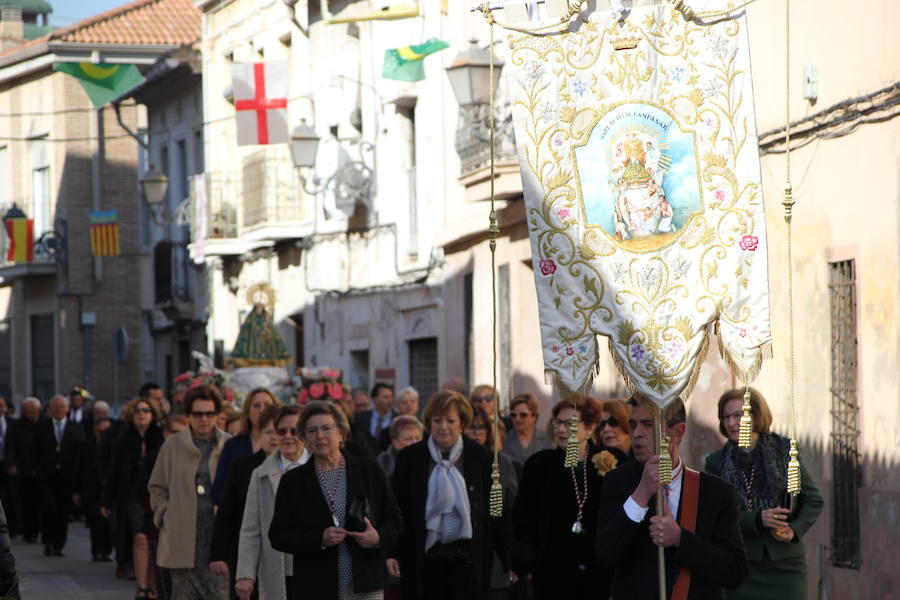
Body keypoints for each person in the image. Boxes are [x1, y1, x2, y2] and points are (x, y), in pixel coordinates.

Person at [596, 399, 747, 599]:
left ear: (677, 432)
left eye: (648, 425)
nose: (636, 433)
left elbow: (734, 572)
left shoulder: (716, 493)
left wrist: (680, 539)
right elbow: (604, 554)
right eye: (633, 424)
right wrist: (641, 494)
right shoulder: (617, 482)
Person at [269, 400, 402, 600]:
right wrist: (319, 538)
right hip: (317, 583)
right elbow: (278, 535)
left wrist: (377, 538)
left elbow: (395, 519)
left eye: (326, 428)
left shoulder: (368, 470)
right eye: (312, 430)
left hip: (365, 582)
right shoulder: (293, 481)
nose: (320, 436)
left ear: (341, 432)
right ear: (304, 438)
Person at [705, 388, 823, 600]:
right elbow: (714, 515)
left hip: (786, 568)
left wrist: (793, 530)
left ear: (756, 415)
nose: (731, 423)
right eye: (725, 417)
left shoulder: (785, 452)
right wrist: (757, 519)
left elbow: (814, 500)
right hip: (741, 567)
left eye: (738, 415)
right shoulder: (716, 462)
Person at [390, 390, 503, 600]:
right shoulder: (410, 458)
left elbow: (495, 509)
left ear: (462, 422)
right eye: (437, 420)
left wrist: (509, 556)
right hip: (423, 559)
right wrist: (393, 553)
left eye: (450, 420)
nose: (444, 427)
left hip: (468, 559)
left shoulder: (480, 456)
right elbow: (397, 508)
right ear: (428, 423)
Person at [512, 396, 624, 599]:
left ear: (589, 427)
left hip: (600, 573)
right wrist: (528, 559)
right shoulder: (539, 465)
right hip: (553, 574)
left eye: (569, 423)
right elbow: (523, 518)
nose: (561, 429)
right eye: (558, 422)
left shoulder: (612, 459)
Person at [149, 385, 232, 599]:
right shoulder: (172, 445)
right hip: (182, 538)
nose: (204, 419)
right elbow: (157, 486)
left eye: (209, 413)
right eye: (198, 414)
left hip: (218, 538)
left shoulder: (229, 445)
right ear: (189, 415)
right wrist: (165, 513)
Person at [235, 405, 309, 600]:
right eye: (281, 430)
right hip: (277, 568)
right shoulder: (260, 474)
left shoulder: (319, 467)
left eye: (294, 431)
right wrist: (245, 574)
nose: (287, 436)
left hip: (314, 565)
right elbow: (251, 528)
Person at [210, 405, 280, 600]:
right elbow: (226, 512)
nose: (274, 437)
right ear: (258, 434)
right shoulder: (242, 467)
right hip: (245, 550)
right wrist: (218, 554)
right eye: (267, 432)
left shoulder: (298, 468)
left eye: (278, 432)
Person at [101, 397, 165, 599]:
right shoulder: (122, 439)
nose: (141, 414)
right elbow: (113, 471)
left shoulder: (161, 437)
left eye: (146, 410)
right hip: (132, 496)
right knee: (140, 537)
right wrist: (106, 499)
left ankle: (154, 584)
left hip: (156, 494)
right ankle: (142, 585)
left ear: (153, 414)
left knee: (156, 540)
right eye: (137, 410)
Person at [464, 404, 518, 600]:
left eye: (482, 428)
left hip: (495, 545)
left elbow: (512, 501)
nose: (477, 433)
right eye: (472, 428)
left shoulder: (501, 462)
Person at [139, 414, 189, 600]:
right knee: (163, 582)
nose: (179, 437)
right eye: (175, 432)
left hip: (184, 531)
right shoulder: (155, 455)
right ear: (166, 433)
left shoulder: (192, 456)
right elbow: (146, 490)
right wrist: (164, 512)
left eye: (184, 433)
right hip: (160, 527)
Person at [35, 394, 84, 557]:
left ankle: (59, 544)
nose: (58, 410)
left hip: (67, 477)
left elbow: (79, 453)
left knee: (63, 512)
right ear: (49, 409)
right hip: (46, 477)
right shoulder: (42, 427)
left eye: (61, 407)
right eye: (55, 407)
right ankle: (48, 541)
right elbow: (35, 452)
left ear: (67, 409)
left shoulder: (76, 427)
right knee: (49, 509)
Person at [212, 388, 279, 505]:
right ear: (247, 412)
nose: (262, 410)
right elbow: (217, 492)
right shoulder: (232, 445)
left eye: (267, 405)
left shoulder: (283, 444)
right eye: (256, 405)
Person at [75, 416, 112, 562]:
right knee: (95, 521)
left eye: (106, 432)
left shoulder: (114, 446)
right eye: (100, 431)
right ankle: (96, 550)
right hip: (91, 490)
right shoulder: (86, 447)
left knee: (107, 522)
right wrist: (77, 491)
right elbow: (78, 470)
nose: (102, 435)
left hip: (107, 489)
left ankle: (106, 551)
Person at [7, 397, 41, 543]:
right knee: (26, 503)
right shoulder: (16, 426)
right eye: (27, 412)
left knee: (41, 503)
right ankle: (28, 531)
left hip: (41, 470)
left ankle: (41, 530)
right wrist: (12, 464)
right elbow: (10, 447)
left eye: (32, 411)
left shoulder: (44, 424)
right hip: (24, 470)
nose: (30, 414)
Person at [501, 393, 552, 470]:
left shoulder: (547, 439)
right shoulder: (503, 440)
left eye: (523, 415)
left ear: (534, 416)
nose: (517, 419)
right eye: (513, 415)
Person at [352, 383, 395, 457]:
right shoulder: (360, 418)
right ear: (375, 399)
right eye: (386, 397)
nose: (390, 400)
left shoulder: (397, 419)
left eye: (391, 397)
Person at [377, 387, 419, 453]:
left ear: (417, 405)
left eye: (412, 401)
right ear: (397, 406)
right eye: (404, 402)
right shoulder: (387, 432)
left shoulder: (426, 428)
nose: (409, 404)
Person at [0, 397, 17, 538]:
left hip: (8, 464)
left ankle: (12, 526)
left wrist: (13, 463)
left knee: (11, 495)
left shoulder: (13, 424)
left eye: (1, 405)